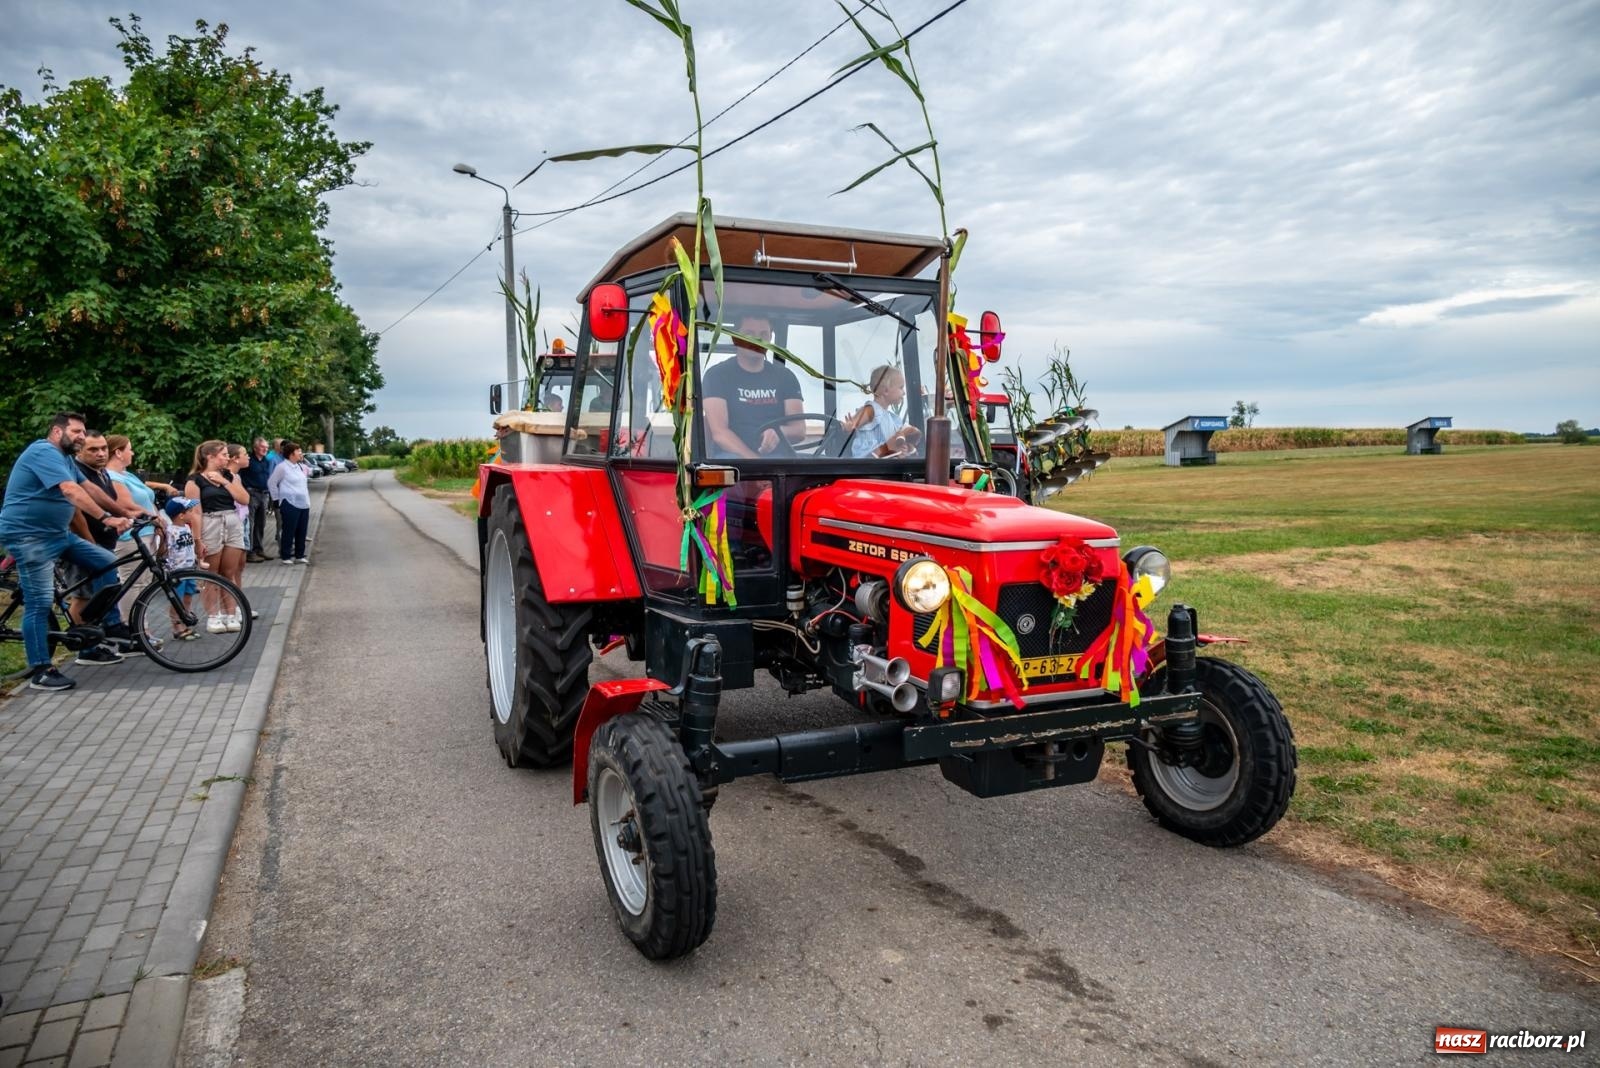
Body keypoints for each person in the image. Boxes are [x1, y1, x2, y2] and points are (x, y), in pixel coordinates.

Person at [0, 412, 133, 691]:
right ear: (57, 432)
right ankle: (41, 670)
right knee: (39, 601)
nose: (82, 437)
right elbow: (71, 491)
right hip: (29, 537)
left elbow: (91, 489)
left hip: (58, 535)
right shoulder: (43, 451)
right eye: (76, 432)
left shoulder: (66, 460)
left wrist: (127, 513)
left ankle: (96, 636)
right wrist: (106, 519)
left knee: (107, 563)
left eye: (83, 432)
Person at [105, 434, 182, 628]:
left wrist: (157, 521)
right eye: (129, 449)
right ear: (118, 452)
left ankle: (141, 628)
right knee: (132, 583)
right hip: (129, 536)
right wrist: (154, 518)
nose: (133, 452)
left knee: (143, 583)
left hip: (146, 533)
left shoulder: (127, 475)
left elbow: (147, 498)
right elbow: (126, 504)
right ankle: (133, 629)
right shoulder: (112, 477)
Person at [702, 315, 806, 458]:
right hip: (733, 458)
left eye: (764, 334)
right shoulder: (717, 375)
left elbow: (799, 430)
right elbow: (720, 433)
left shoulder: (786, 377)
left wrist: (778, 432)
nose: (757, 339)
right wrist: (754, 461)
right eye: (749, 334)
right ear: (735, 338)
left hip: (779, 460)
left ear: (770, 338)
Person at [185, 440, 249, 633]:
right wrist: (198, 540)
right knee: (211, 574)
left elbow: (244, 499)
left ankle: (230, 613)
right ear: (210, 457)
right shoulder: (195, 481)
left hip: (231, 521)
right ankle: (213, 615)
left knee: (229, 573)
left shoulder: (228, 476)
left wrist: (225, 482)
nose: (227, 458)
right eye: (223, 454)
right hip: (210, 522)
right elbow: (195, 512)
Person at [845, 365, 922, 458]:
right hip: (866, 462)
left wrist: (903, 449)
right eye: (901, 388)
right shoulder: (872, 409)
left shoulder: (893, 419)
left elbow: (896, 442)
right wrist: (851, 425)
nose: (904, 392)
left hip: (884, 460)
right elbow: (858, 419)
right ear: (885, 391)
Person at [160, 496, 204, 640]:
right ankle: (177, 626)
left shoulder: (186, 528)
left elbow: (189, 547)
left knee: (188, 596)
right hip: (176, 572)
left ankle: (185, 621)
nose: (193, 513)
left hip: (188, 569)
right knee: (176, 599)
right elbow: (165, 550)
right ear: (181, 515)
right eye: (190, 511)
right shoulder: (170, 531)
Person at [267, 441, 311, 565]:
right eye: (298, 451)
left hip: (304, 503)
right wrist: (276, 499)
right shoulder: (282, 467)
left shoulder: (300, 466)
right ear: (291, 454)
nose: (300, 453)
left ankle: (299, 555)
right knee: (289, 530)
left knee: (302, 530)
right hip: (289, 502)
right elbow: (271, 482)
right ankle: (286, 555)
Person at [241, 436, 275, 561]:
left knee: (261, 523)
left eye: (266, 447)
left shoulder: (266, 461)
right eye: (262, 447)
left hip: (264, 494)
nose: (265, 449)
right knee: (250, 523)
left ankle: (259, 549)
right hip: (251, 494)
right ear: (255, 448)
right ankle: (249, 552)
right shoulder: (248, 460)